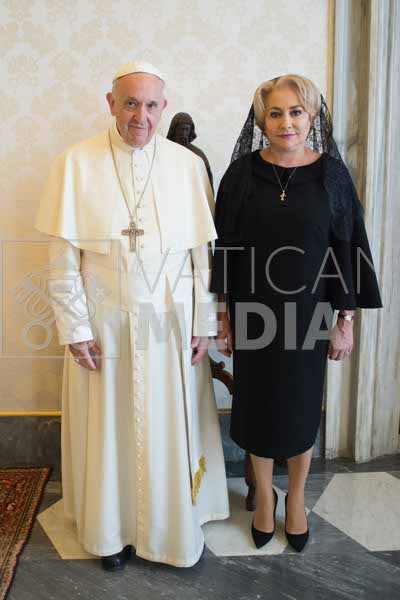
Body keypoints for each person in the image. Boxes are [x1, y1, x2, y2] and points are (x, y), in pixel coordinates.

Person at [34, 60, 229, 570]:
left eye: (151, 105)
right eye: (130, 103)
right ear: (111, 103)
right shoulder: (75, 164)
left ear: (163, 108)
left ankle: (171, 530)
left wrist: (203, 323)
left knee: (167, 429)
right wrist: (75, 328)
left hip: (170, 320)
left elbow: (202, 257)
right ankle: (110, 532)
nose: (140, 116)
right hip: (104, 321)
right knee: (109, 431)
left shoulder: (185, 166)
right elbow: (62, 259)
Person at [210, 74, 382, 553]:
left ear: (312, 117)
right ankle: (265, 496)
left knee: (302, 409)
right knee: (257, 407)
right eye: (276, 113)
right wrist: (222, 314)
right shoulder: (241, 175)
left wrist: (345, 321)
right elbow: (225, 248)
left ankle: (298, 498)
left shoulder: (332, 175)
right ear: (262, 121)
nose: (286, 122)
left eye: (296, 112)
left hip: (310, 315)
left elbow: (347, 248)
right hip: (253, 313)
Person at [167, 112, 214, 191]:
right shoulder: (164, 151)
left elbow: (208, 186)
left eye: (187, 129)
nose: (184, 133)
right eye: (181, 129)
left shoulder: (198, 154)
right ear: (174, 130)